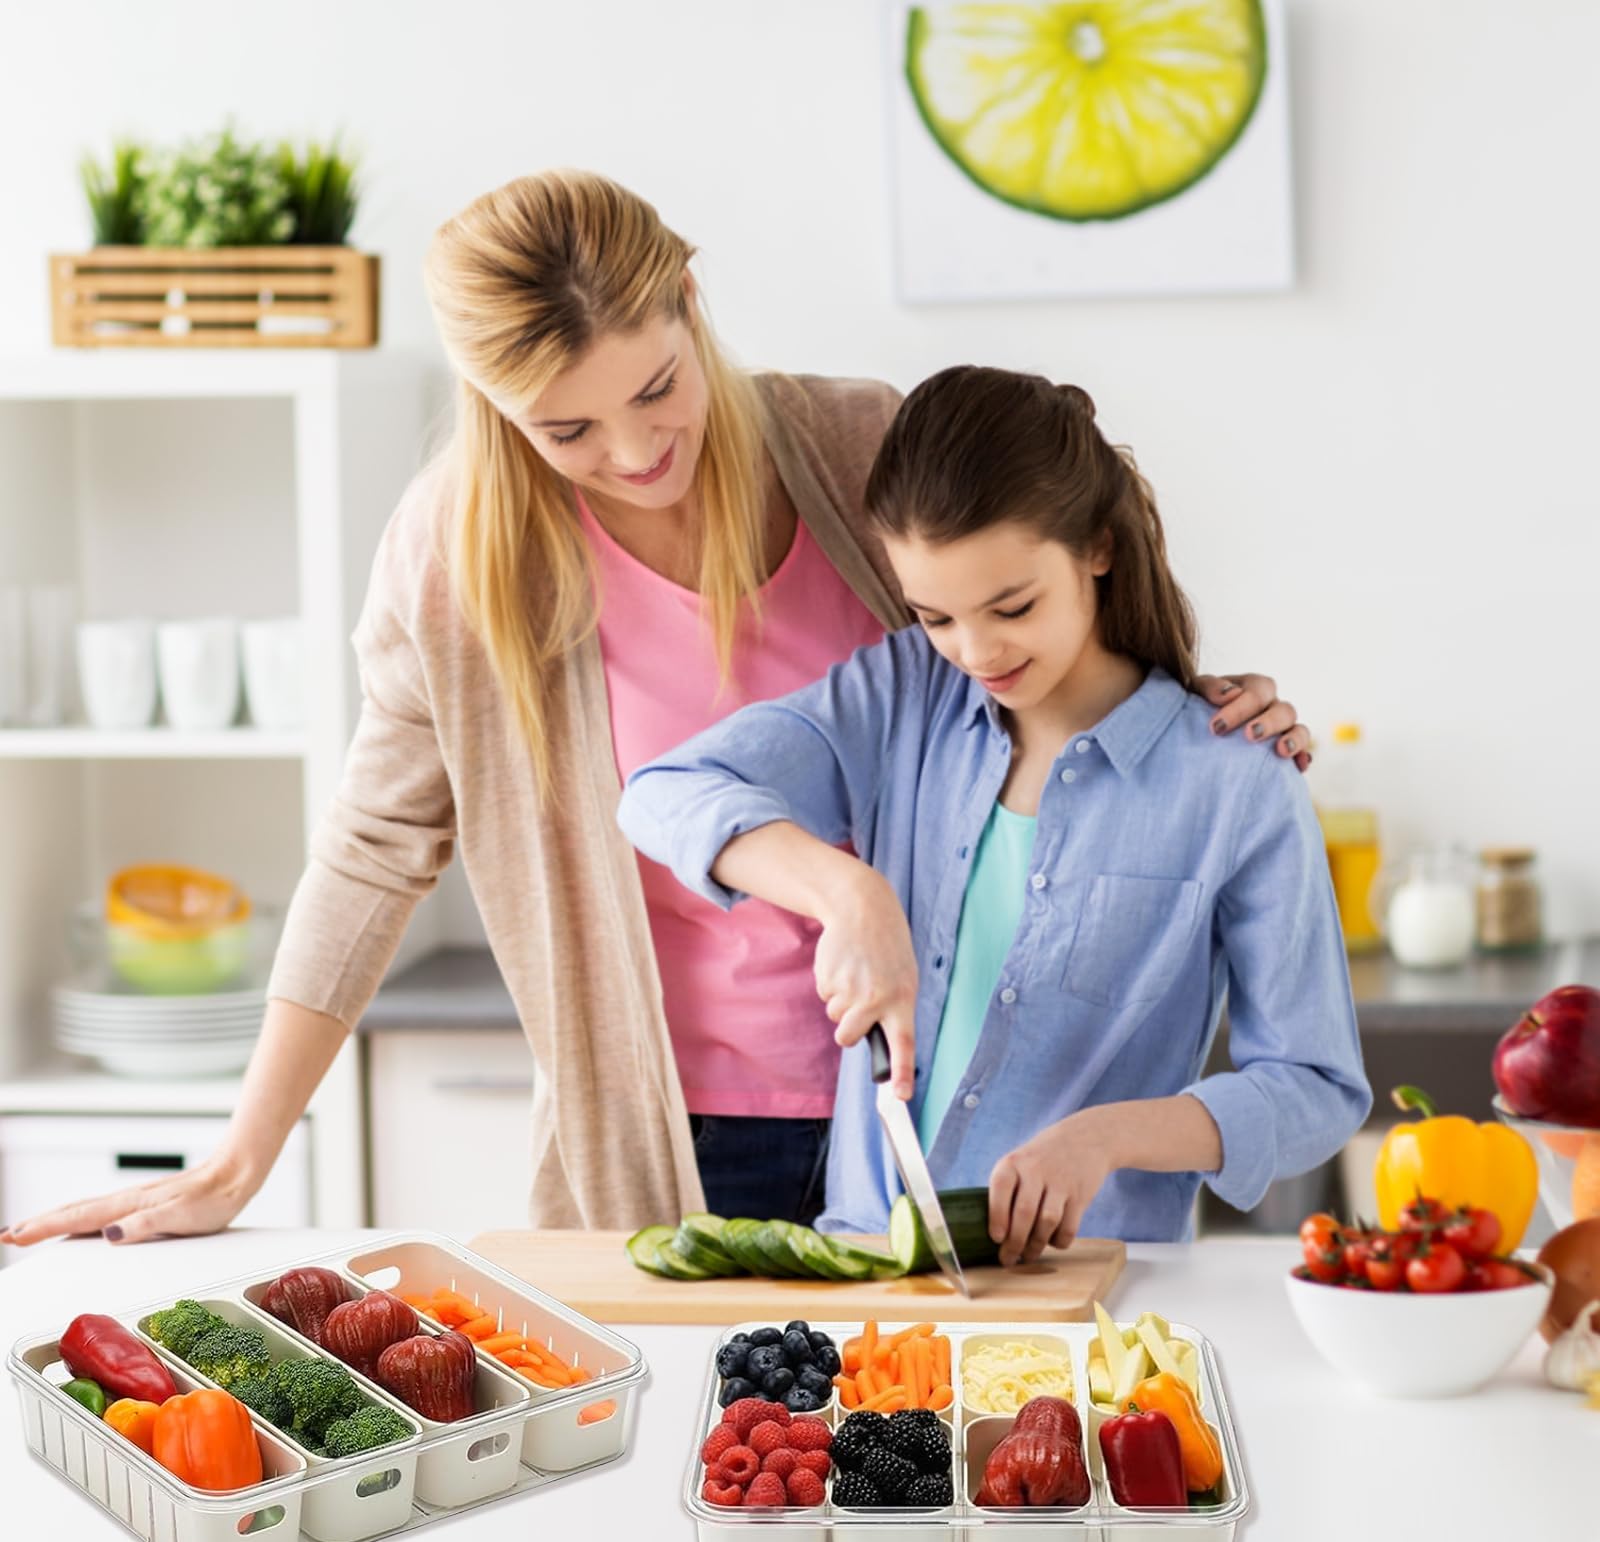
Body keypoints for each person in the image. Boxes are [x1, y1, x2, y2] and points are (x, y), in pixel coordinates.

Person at [0, 177, 1309, 1251]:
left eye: (655, 389)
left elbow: (1045, 555)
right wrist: (241, 1156)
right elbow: (375, 844)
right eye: (567, 429)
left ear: (691, 301)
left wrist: (1191, 699)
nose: (633, 453)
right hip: (669, 1120)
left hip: (919, 1101)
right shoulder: (462, 559)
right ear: (497, 408)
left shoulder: (855, 448)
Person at [619, 366, 1370, 1262]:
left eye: (1012, 607)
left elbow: (1315, 1086)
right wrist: (846, 892)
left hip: (1092, 1283)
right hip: (871, 1274)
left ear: (1097, 547)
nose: (976, 652)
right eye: (937, 616)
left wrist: (1109, 1136)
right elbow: (661, 794)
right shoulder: (902, 693)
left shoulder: (1236, 781)